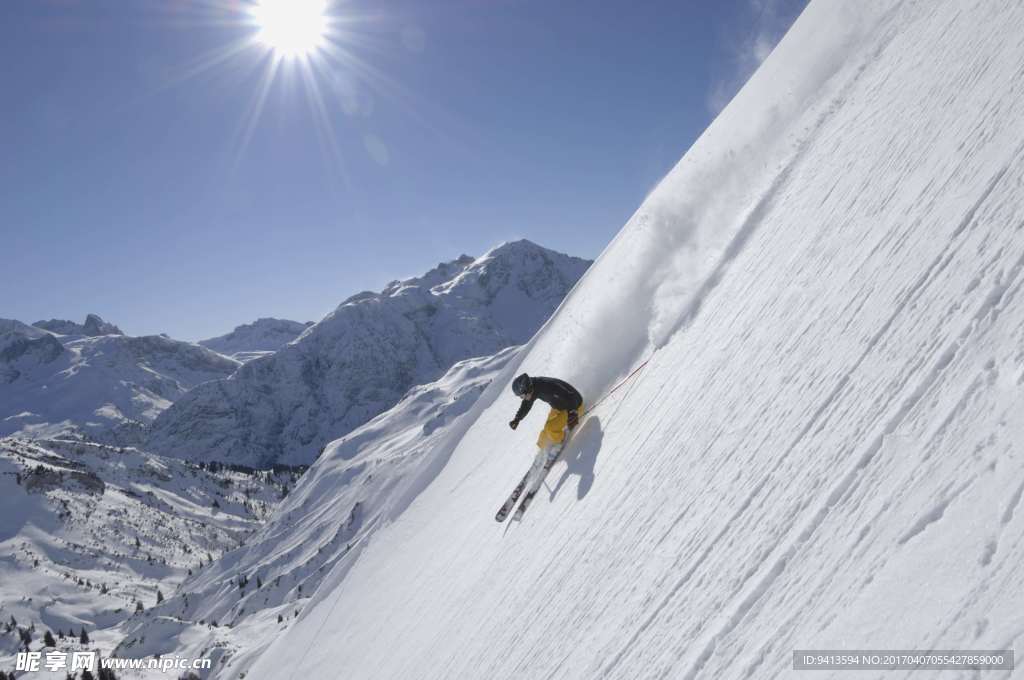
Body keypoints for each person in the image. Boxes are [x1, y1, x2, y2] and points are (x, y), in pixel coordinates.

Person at [509, 373, 583, 455]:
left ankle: (560, 443)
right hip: (558, 408)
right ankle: (543, 453)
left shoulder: (547, 386)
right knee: (544, 435)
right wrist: (517, 419)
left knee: (550, 428)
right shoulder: (533, 387)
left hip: (574, 406)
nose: (523, 398)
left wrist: (572, 412)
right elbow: (526, 405)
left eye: (522, 395)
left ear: (528, 389)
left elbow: (570, 396)